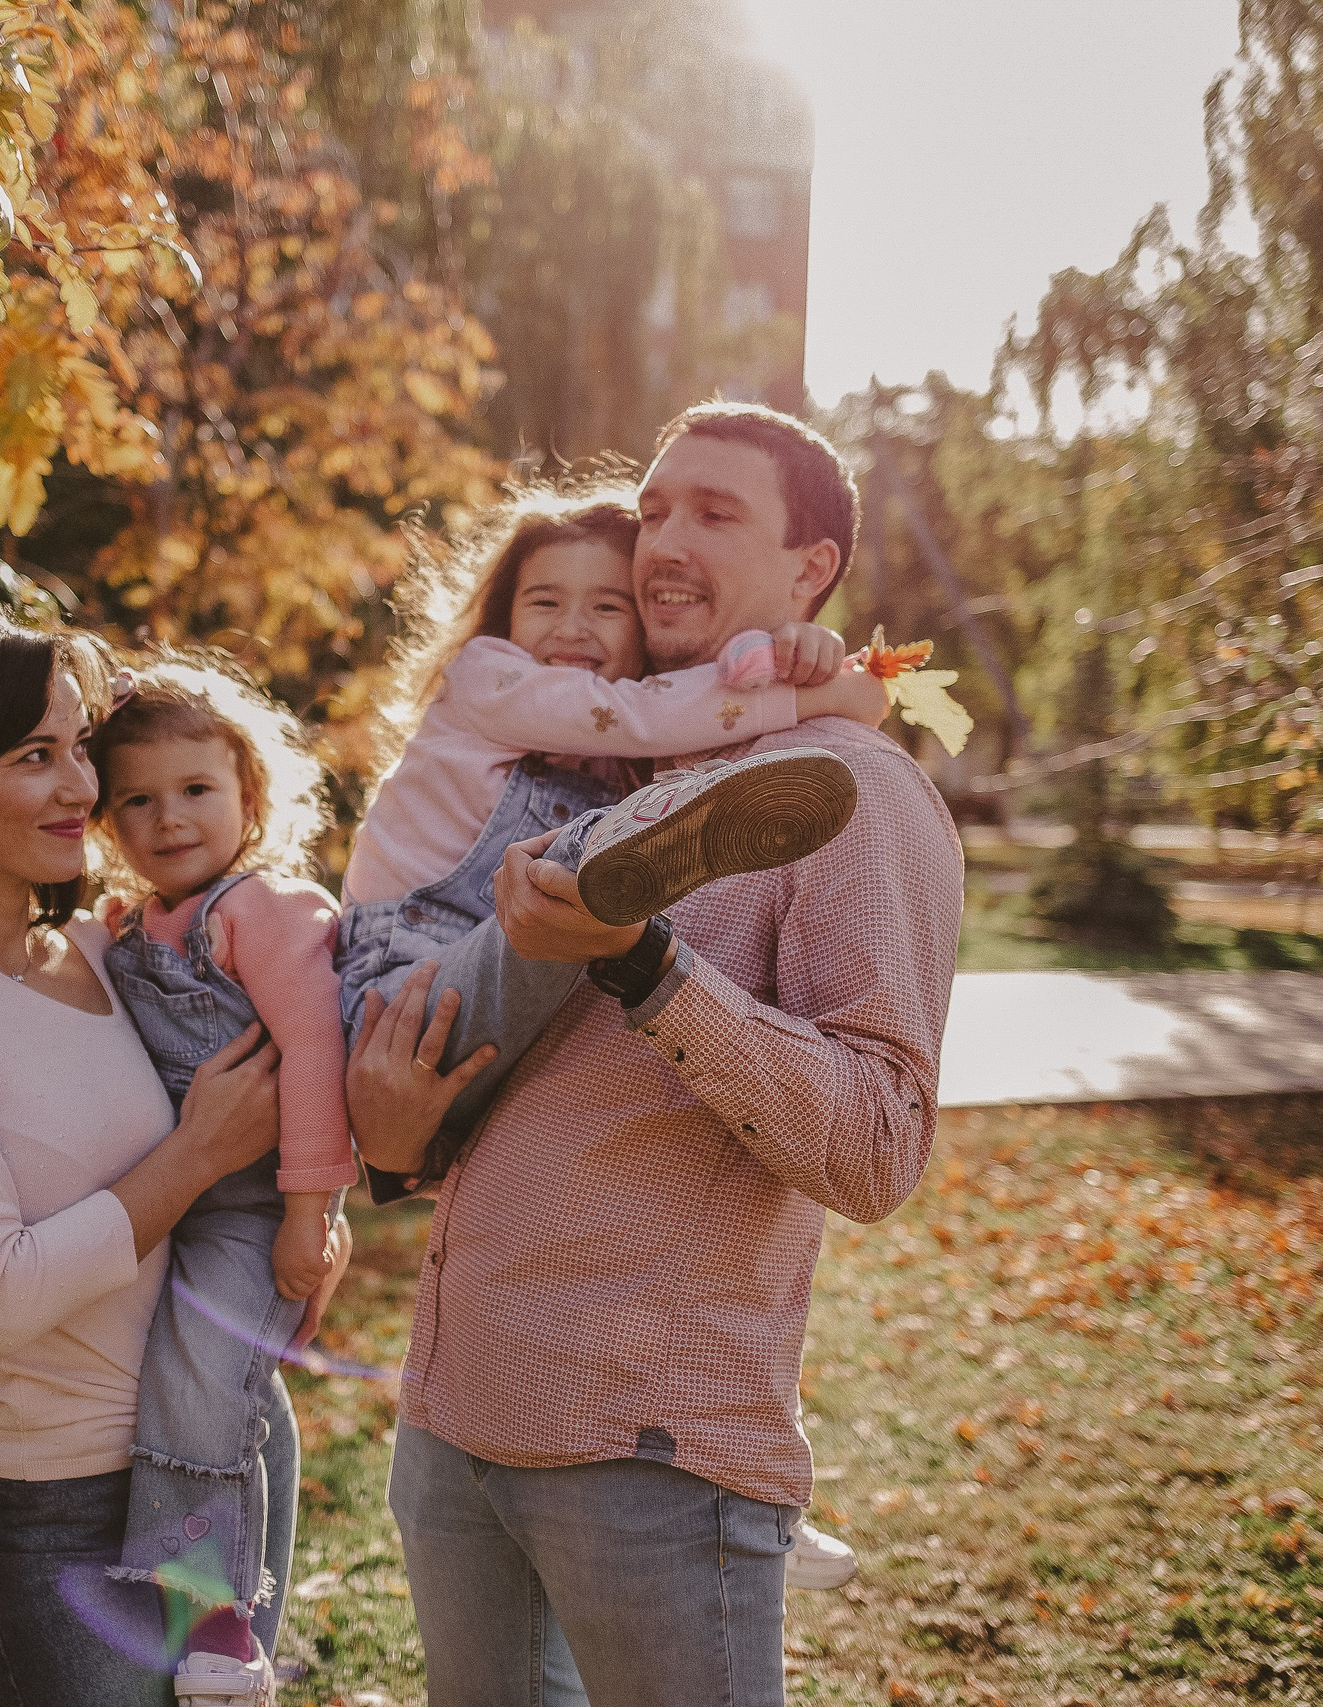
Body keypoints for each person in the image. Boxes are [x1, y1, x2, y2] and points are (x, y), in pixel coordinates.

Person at [346, 403, 965, 1707]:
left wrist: (647, 967)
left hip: (649, 1446)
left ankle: (609, 907)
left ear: (813, 569)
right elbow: (429, 1121)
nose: (663, 543)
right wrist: (392, 1136)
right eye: (656, 510)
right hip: (454, 1417)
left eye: (716, 513)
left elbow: (876, 1147)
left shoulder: (854, 793)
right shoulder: (580, 770)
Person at [0, 611, 338, 1707]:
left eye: (79, 746)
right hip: (68, 1502)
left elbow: (304, 1056)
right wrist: (193, 1159)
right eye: (32, 758)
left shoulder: (110, 948)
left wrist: (306, 1215)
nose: (82, 788)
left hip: (225, 1451)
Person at [334, 483, 888, 1183]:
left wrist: (786, 650)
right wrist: (824, 691)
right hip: (402, 995)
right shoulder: (486, 678)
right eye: (544, 602)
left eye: (606, 606)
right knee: (565, 871)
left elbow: (692, 689)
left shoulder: (621, 737)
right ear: (505, 615)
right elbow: (640, 713)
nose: (572, 627)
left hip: (509, 1021)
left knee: (562, 899)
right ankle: (642, 849)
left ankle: (632, 872)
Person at [88, 655, 360, 1703]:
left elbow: (316, 1056)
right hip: (166, 1198)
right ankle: (178, 1597)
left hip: (251, 1209)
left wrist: (309, 1214)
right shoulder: (125, 927)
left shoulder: (264, 911)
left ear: (251, 791)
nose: (168, 819)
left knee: (202, 1396)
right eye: (137, 801)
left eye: (196, 790)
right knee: (170, 1390)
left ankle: (220, 1622)